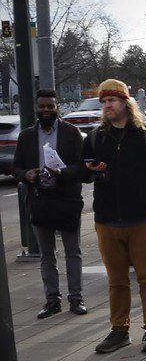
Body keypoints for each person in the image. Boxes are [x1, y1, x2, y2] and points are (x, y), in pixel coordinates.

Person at [84, 79, 146, 353]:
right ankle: (119, 330)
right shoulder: (96, 136)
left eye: (111, 100)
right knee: (117, 280)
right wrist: (92, 171)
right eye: (103, 102)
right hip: (107, 220)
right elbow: (83, 171)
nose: (106, 106)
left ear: (125, 102)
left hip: (142, 220)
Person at [12, 88, 87, 318]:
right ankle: (52, 300)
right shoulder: (26, 136)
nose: (46, 110)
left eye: (50, 106)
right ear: (37, 108)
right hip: (40, 200)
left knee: (72, 251)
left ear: (57, 107)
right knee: (47, 254)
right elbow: (15, 168)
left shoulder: (71, 133)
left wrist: (60, 172)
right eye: (42, 106)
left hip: (66, 200)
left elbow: (81, 167)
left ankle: (76, 298)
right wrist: (27, 175)